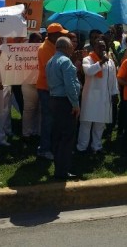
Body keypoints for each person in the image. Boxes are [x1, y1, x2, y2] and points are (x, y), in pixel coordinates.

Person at [46, 37, 82, 180]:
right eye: (71, 46)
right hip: (65, 102)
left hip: (54, 100)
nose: (73, 48)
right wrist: (75, 104)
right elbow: (70, 85)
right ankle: (62, 170)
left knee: (58, 135)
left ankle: (58, 167)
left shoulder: (51, 61)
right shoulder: (66, 61)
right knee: (67, 137)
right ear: (66, 48)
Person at [77, 39, 119, 154]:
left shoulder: (110, 62)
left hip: (104, 98)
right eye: (100, 47)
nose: (102, 49)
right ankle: (82, 147)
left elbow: (113, 78)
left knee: (100, 124)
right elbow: (88, 72)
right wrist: (100, 62)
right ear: (94, 47)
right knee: (86, 124)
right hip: (90, 97)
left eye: (104, 46)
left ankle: (97, 146)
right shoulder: (88, 59)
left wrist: (115, 92)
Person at [36, 23, 68, 160]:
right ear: (53, 35)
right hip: (46, 89)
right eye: (60, 34)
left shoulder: (52, 46)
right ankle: (44, 149)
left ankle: (49, 146)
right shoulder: (45, 49)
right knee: (48, 120)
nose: (62, 36)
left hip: (52, 88)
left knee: (53, 120)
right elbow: (52, 69)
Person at [21, 32, 43, 138]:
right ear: (30, 41)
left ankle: (37, 132)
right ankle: (26, 133)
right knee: (29, 109)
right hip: (28, 84)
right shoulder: (24, 51)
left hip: (40, 84)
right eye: (37, 40)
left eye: (40, 40)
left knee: (40, 109)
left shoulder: (43, 51)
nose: (39, 42)